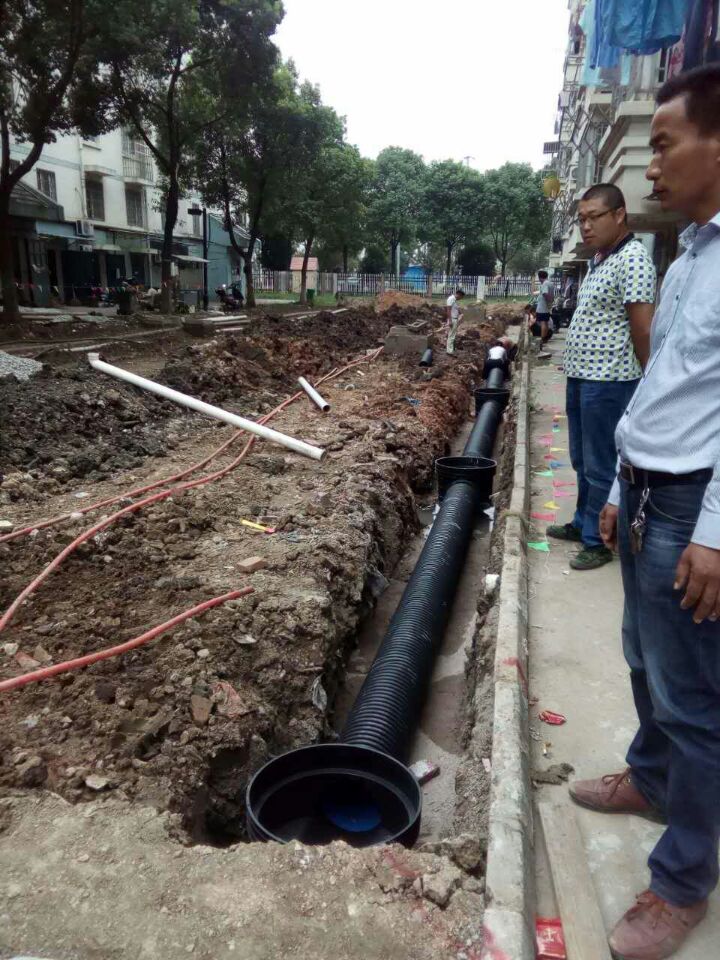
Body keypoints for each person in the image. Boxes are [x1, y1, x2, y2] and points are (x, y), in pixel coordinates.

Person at [569, 65, 720, 960]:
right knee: (643, 661)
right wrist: (621, 487)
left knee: (696, 700)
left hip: (695, 505)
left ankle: (683, 879)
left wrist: (712, 534)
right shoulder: (694, 254)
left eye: (664, 146)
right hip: (651, 489)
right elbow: (669, 384)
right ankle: (653, 780)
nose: (650, 167)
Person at [546, 183, 656, 571]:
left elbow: (642, 328)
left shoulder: (634, 260)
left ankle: (597, 539)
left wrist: (650, 380)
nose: (586, 227)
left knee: (599, 462)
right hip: (581, 378)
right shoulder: (598, 260)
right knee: (580, 458)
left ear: (619, 215)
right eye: (581, 219)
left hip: (609, 380)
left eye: (594, 218)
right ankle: (582, 523)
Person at [532, 270, 554, 342]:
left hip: (542, 306)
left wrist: (548, 300)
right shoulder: (550, 283)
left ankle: (542, 338)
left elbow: (545, 293)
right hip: (547, 307)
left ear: (539, 277)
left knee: (543, 322)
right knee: (546, 322)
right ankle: (546, 337)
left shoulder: (544, 284)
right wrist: (550, 301)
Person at [445, 288, 465, 355]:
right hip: (452, 319)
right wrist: (450, 321)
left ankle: (451, 349)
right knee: (451, 335)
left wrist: (461, 313)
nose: (461, 299)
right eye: (461, 297)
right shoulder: (451, 299)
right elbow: (448, 310)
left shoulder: (454, 300)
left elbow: (456, 308)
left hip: (454, 319)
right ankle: (449, 351)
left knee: (452, 335)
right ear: (459, 294)